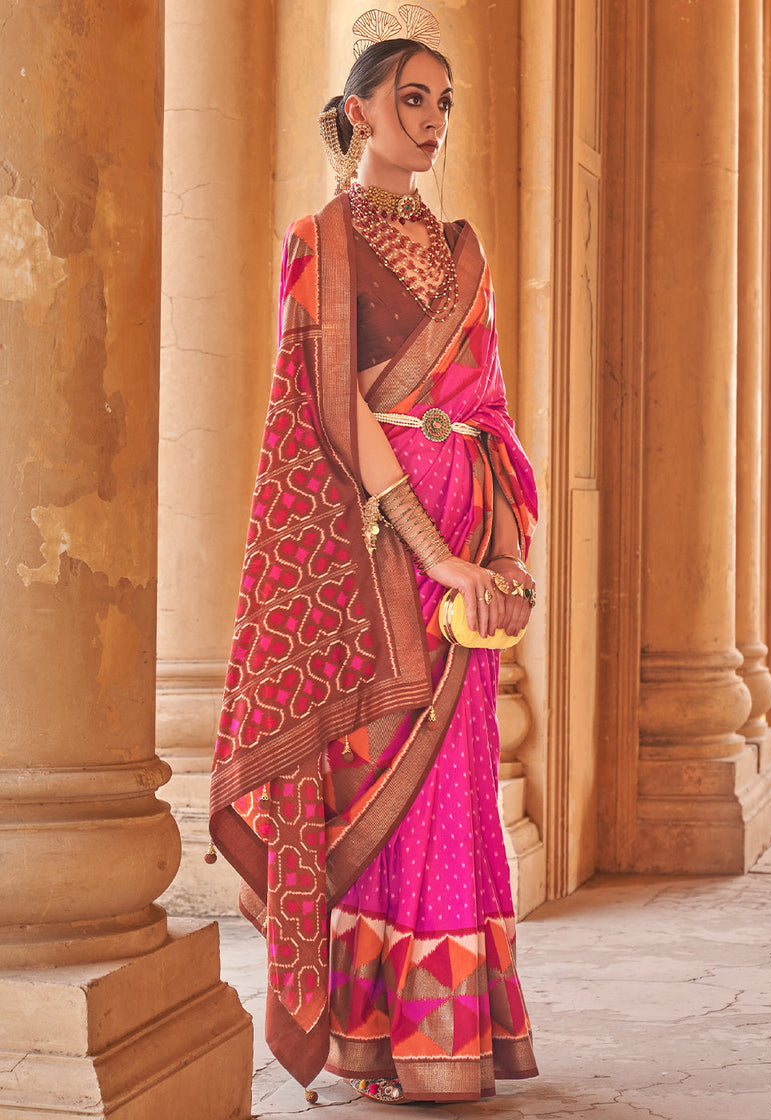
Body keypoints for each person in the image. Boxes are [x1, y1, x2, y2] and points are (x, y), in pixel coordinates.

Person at [209, 8, 539, 1106]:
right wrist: (433, 555)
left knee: (454, 781)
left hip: (467, 523)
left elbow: (485, 407)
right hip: (379, 547)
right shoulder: (322, 239)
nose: (433, 118)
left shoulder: (463, 251)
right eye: (411, 97)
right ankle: (379, 1038)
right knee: (378, 783)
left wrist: (501, 543)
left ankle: (443, 1038)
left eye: (443, 101)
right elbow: (335, 409)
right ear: (357, 111)